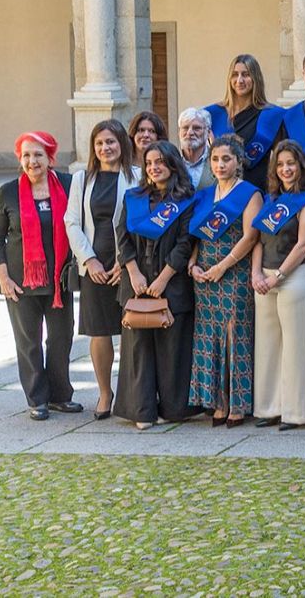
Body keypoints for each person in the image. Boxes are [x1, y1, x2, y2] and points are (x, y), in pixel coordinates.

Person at [0, 131, 80, 421]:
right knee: (28, 341)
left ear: (50, 157)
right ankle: (37, 399)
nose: (32, 161)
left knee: (61, 338)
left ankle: (60, 396)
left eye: (38, 155)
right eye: (26, 155)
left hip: (58, 280)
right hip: (20, 282)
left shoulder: (67, 184)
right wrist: (3, 277)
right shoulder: (8, 192)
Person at [115, 142, 198, 430]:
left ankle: (173, 409)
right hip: (136, 283)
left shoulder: (187, 200)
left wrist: (163, 278)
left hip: (171, 283)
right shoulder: (133, 197)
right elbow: (122, 237)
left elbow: (185, 243)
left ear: (173, 164)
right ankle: (142, 410)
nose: (154, 167)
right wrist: (134, 273)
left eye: (161, 161)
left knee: (171, 349)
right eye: (149, 162)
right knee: (138, 349)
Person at [64, 120, 139, 421]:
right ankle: (105, 393)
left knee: (131, 330)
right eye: (99, 143)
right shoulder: (82, 179)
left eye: (111, 141)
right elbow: (71, 222)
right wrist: (89, 260)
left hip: (126, 264)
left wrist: (125, 262)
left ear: (122, 143)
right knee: (99, 332)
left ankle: (132, 394)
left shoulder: (137, 176)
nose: (105, 148)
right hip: (94, 264)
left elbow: (138, 221)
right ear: (93, 148)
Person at [185, 135, 263, 427]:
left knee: (234, 334)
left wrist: (223, 266)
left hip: (235, 271)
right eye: (215, 159)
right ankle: (216, 400)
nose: (220, 164)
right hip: (204, 274)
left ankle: (238, 403)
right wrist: (192, 264)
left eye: (226, 159)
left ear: (238, 161)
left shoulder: (250, 193)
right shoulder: (205, 194)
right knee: (209, 337)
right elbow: (196, 234)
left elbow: (251, 236)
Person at [250, 139, 305, 431]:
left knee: (296, 346)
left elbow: (304, 244)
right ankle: (270, 408)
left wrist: (277, 276)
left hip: (294, 277)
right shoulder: (271, 200)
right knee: (268, 346)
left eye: (290, 163)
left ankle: (297, 412)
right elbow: (258, 240)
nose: (285, 169)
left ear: (301, 165)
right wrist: (256, 273)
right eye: (280, 165)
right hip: (264, 277)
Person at [204, 54, 285, 188]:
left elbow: (280, 158)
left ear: (256, 78)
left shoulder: (272, 116)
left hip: (256, 190)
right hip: (220, 191)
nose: (240, 80)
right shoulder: (213, 114)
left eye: (246, 74)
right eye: (235, 74)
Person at [178, 107, 214, 189]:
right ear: (179, 132)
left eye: (196, 128)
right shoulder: (171, 161)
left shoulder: (217, 160)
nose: (190, 132)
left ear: (208, 133)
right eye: (185, 128)